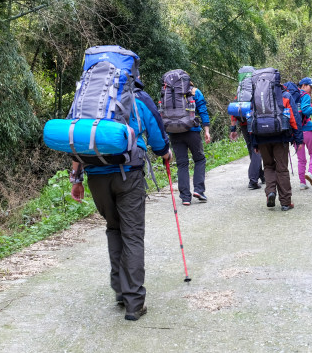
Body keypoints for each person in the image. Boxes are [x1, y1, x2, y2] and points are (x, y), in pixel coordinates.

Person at [69, 58, 170, 322]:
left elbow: (77, 137)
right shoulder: (138, 97)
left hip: (95, 175)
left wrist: (76, 178)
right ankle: (134, 302)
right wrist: (165, 153)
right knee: (133, 235)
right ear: (132, 72)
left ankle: (120, 292)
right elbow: (157, 135)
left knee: (114, 229)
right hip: (129, 175)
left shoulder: (85, 99)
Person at [251, 82, 303, 211]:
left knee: (268, 166)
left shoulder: (257, 97)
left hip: (262, 137)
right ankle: (285, 203)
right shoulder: (285, 95)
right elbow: (294, 118)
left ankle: (270, 192)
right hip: (281, 137)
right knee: (282, 169)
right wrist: (298, 139)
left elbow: (251, 119)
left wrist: (254, 141)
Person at [166, 76, 211, 205]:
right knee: (200, 159)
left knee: (182, 164)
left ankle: (185, 197)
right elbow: (202, 111)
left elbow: (162, 113)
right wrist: (206, 130)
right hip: (192, 131)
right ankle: (199, 190)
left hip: (174, 132)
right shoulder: (194, 91)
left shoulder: (167, 93)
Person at [296, 77, 312, 190]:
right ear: (304, 85)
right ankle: (310, 173)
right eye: (311, 87)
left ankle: (302, 183)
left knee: (301, 159)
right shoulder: (305, 95)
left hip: (296, 133)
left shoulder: (291, 96)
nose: (311, 90)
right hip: (307, 129)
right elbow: (305, 110)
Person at [230, 112, 264, 189]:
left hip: (244, 125)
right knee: (257, 149)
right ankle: (253, 180)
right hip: (256, 122)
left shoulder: (238, 98)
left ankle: (261, 175)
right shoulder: (255, 98)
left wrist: (233, 129)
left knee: (252, 150)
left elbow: (234, 112)